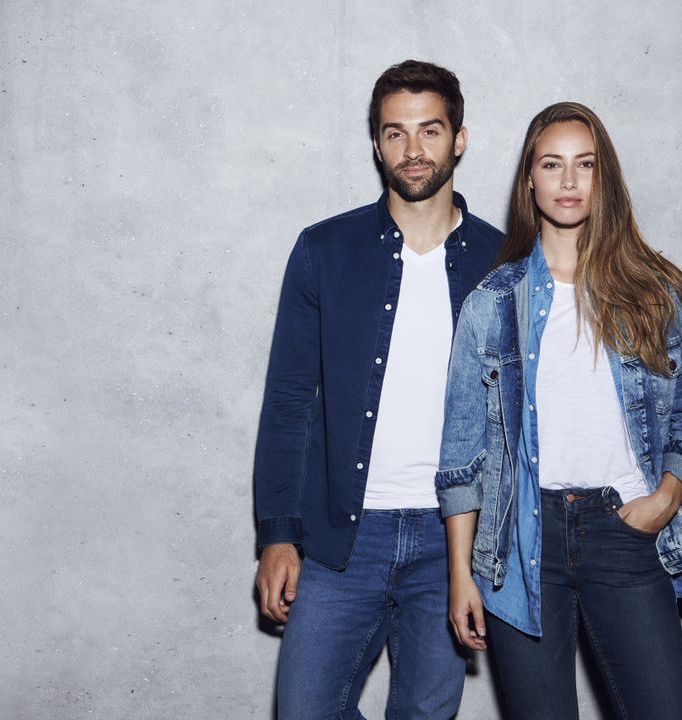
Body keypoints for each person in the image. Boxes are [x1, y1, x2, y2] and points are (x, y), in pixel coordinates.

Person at [437, 101, 682, 719]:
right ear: (530, 180)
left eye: (585, 165)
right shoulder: (491, 304)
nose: (568, 182)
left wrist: (665, 499)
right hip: (521, 539)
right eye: (552, 164)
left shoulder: (655, 293)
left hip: (623, 528)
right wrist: (462, 572)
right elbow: (462, 454)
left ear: (605, 178)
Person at [252, 60, 503, 719]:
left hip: (452, 537)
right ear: (375, 144)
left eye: (429, 130)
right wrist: (278, 532)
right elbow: (286, 402)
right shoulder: (324, 250)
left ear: (460, 138)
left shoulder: (502, 263)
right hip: (343, 536)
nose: (412, 150)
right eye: (394, 133)